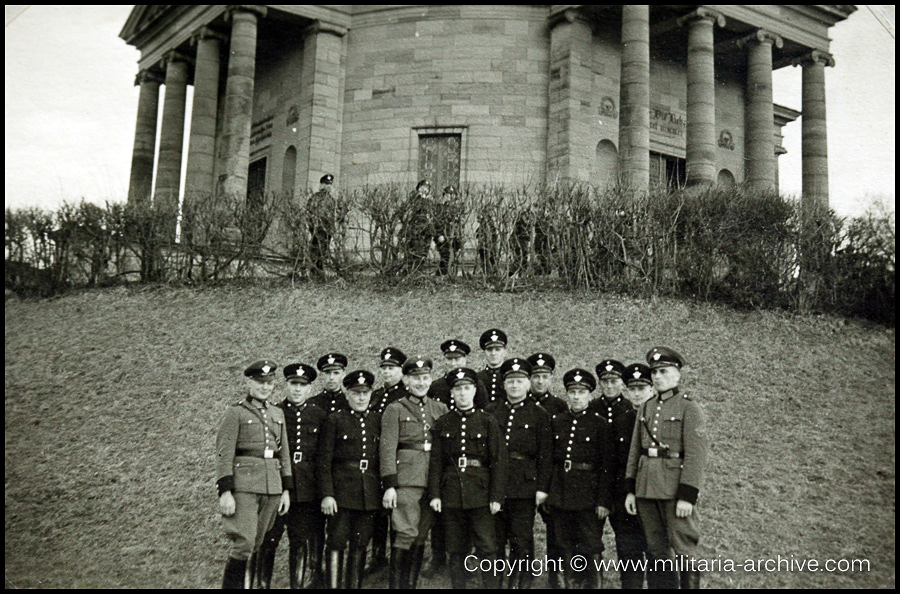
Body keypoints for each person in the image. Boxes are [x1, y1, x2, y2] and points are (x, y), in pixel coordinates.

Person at [625, 347, 708, 590]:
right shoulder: (646, 407)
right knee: (656, 550)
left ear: (677, 375)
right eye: (655, 372)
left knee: (684, 549)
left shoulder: (689, 407)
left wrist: (687, 495)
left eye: (664, 371)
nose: (658, 376)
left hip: (674, 490)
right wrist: (631, 489)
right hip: (646, 489)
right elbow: (635, 450)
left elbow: (696, 455)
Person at [428, 367, 507, 589]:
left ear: (474, 390)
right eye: (457, 389)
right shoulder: (443, 422)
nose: (462, 393)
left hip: (481, 493)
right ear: (451, 393)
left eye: (466, 388)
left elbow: (499, 461)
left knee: (487, 546)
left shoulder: (487, 421)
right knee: (455, 547)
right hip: (451, 492)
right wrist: (435, 494)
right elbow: (436, 462)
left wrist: (496, 496)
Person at [216, 360, 292, 589]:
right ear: (249, 382)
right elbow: (223, 453)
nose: (265, 387)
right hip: (245, 485)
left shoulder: (277, 413)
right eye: (260, 382)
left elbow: (284, 452)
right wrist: (225, 491)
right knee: (244, 542)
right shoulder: (236, 412)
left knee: (257, 542)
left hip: (272, 485)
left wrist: (286, 489)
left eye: (269, 382)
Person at [257, 363, 328, 589]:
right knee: (269, 539)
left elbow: (323, 455)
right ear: (286, 385)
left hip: (307, 489)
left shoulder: (319, 415)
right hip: (277, 485)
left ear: (309, 388)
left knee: (300, 541)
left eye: (303, 385)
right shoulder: (275, 412)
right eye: (293, 384)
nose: (297, 389)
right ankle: (262, 584)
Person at [380, 357, 449, 588]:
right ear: (406, 380)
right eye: (416, 378)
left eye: (425, 378)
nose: (421, 382)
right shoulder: (395, 409)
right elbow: (387, 448)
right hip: (406, 479)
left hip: (433, 480)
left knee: (420, 535)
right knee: (405, 533)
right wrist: (389, 484)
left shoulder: (440, 409)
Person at [484, 358, 552, 589]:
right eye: (510, 381)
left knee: (521, 539)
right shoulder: (491, 411)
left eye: (520, 381)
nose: (514, 386)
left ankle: (520, 582)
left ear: (528, 384)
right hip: (494, 484)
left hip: (524, 485)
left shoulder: (539, 414)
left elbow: (545, 455)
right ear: (503, 385)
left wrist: (542, 488)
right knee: (495, 538)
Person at [546, 368, 615, 589]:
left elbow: (607, 466)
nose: (576, 396)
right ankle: (570, 584)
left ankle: (593, 584)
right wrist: (549, 492)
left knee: (590, 542)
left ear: (590, 395)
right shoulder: (557, 421)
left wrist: (604, 501)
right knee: (563, 542)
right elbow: (549, 460)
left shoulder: (600, 424)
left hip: (589, 493)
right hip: (561, 491)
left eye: (581, 392)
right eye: (572, 392)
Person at [318, 370, 383, 589]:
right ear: (347, 394)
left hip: (369, 492)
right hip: (341, 492)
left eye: (365, 392)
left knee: (361, 543)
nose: (361, 397)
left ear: (371, 393)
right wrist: (327, 494)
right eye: (356, 393)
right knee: (336, 541)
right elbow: (324, 461)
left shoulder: (377, 420)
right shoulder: (335, 420)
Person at [593, 359, 648, 589]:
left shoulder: (637, 412)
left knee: (649, 549)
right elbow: (611, 462)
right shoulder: (613, 418)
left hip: (645, 492)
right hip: (614, 491)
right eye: (604, 381)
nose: (608, 385)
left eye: (614, 381)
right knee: (624, 548)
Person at [366, 347, 410, 576]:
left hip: (397, 459)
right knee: (378, 512)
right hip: (376, 459)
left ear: (402, 370)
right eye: (384, 368)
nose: (387, 373)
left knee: (396, 511)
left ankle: (396, 558)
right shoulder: (376, 395)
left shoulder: (405, 396)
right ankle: (378, 555)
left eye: (391, 368)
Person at [525, 352, 566, 588]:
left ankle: (556, 576)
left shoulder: (559, 406)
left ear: (551, 378)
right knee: (522, 528)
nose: (540, 381)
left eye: (544, 376)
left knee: (555, 528)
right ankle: (525, 572)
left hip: (550, 476)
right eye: (536, 376)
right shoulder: (520, 402)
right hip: (524, 475)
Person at [307, 174, 341, 276]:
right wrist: (313, 227)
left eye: (330, 184)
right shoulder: (315, 198)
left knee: (324, 251)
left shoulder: (331, 200)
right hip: (317, 229)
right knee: (315, 250)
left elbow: (332, 216)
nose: (328, 186)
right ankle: (314, 272)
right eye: (326, 184)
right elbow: (309, 212)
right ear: (321, 185)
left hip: (327, 230)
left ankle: (320, 272)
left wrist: (332, 229)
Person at [400, 179, 435, 273]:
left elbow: (431, 216)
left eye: (427, 188)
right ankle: (410, 273)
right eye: (422, 187)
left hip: (426, 231)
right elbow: (408, 216)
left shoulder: (430, 202)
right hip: (415, 230)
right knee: (414, 252)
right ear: (418, 189)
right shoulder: (413, 201)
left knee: (424, 253)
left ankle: (419, 272)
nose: (424, 190)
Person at [433, 185, 464, 276]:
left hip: (453, 236)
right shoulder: (439, 208)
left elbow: (458, 224)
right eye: (448, 195)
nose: (450, 197)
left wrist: (459, 236)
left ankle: (446, 275)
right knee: (446, 255)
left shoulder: (456, 209)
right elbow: (436, 223)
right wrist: (439, 235)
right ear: (444, 195)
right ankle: (441, 275)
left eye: (452, 195)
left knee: (452, 256)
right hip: (443, 236)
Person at [477, 328, 508, 407]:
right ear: (485, 352)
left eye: (498, 349)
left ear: (505, 352)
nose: (493, 353)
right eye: (489, 350)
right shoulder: (477, 378)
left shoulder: (510, 377)